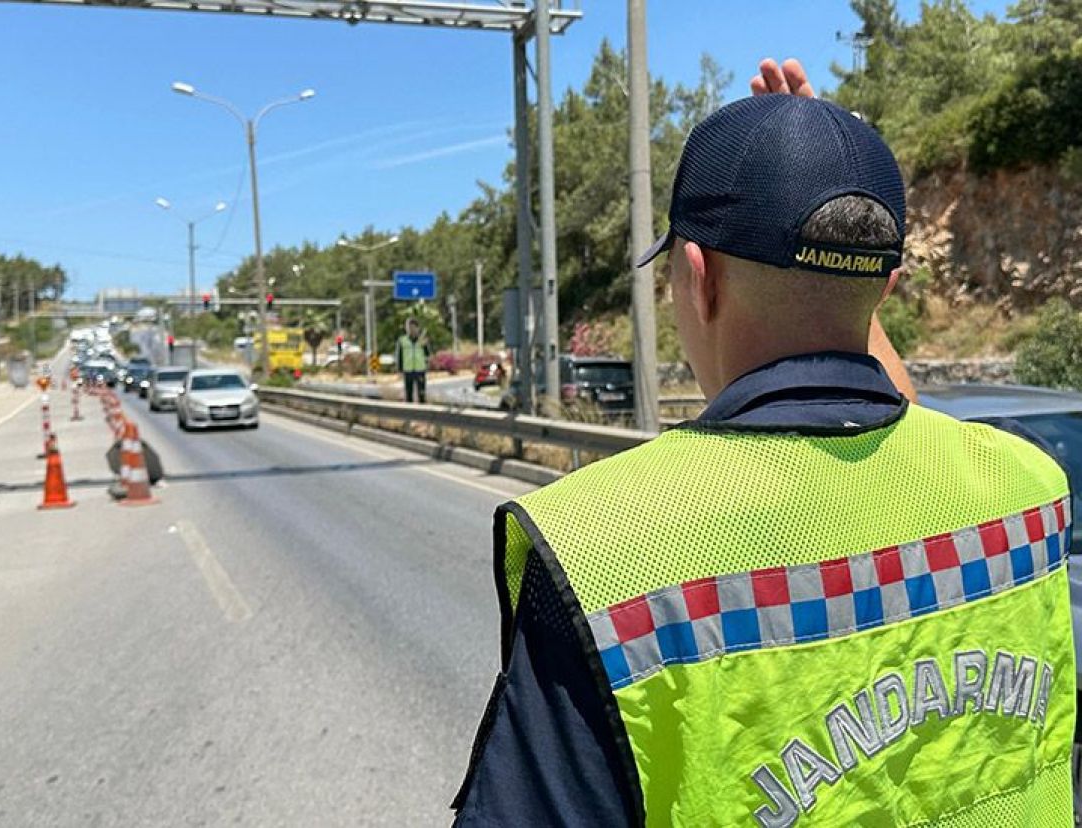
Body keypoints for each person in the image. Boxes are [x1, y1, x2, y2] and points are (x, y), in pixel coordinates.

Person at [451, 59, 1073, 827]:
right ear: (889, 287)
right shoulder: (1025, 492)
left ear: (698, 276)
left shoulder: (602, 556)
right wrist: (824, 195)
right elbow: (888, 413)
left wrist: (798, 183)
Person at [396, 317, 431, 403]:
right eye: (408, 327)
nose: (410, 330)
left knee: (422, 395)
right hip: (408, 371)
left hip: (420, 370)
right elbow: (399, 356)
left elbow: (428, 355)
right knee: (408, 396)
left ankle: (423, 414)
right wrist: (399, 370)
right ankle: (409, 415)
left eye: (412, 327)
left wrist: (425, 345)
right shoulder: (402, 340)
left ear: (417, 328)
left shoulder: (422, 340)